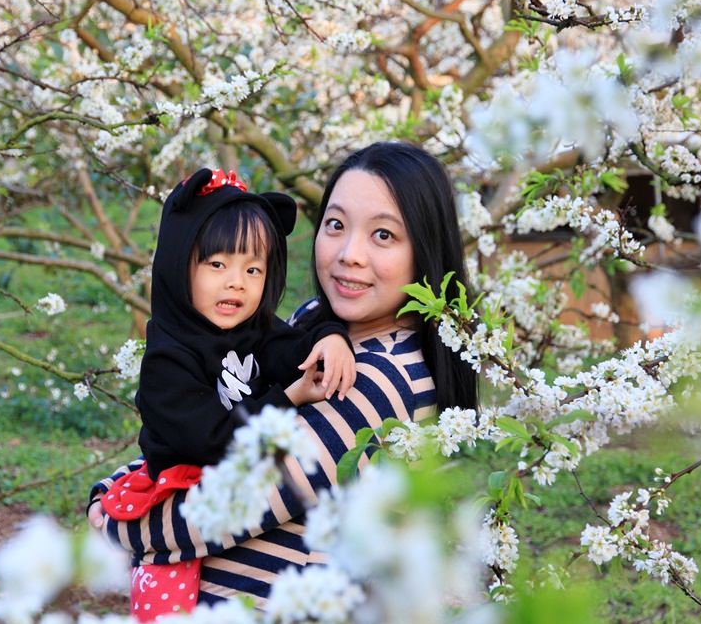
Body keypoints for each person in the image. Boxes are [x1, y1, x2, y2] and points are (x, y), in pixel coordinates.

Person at [88, 142, 477, 608]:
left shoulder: (378, 381)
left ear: (426, 249)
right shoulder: (319, 327)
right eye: (336, 225)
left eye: (383, 235)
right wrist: (126, 482)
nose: (349, 253)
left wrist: (115, 518)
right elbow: (214, 425)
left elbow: (228, 506)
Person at [93, 167, 356, 620]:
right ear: (180, 265)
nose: (237, 282)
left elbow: (296, 347)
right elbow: (210, 439)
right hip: (178, 503)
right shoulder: (167, 360)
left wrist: (330, 337)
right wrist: (286, 400)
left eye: (253, 269)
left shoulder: (254, 330)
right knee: (169, 608)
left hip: (240, 512)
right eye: (217, 265)